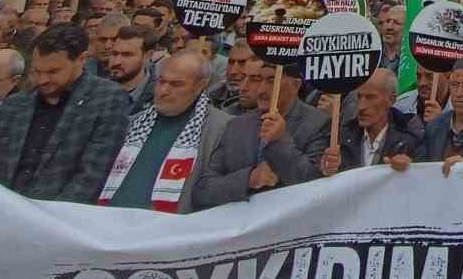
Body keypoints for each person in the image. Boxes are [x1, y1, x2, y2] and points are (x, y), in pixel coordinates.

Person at [0, 23, 131, 202]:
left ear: (81, 59)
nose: (43, 79)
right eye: (37, 71)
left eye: (53, 71)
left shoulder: (107, 99)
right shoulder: (14, 104)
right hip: (2, 208)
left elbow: (92, 174)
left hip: (58, 216)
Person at [98, 51, 229, 214]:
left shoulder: (221, 129)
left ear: (201, 85)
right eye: (161, 82)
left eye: (176, 84)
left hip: (167, 231)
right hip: (109, 220)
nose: (163, 91)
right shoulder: (133, 123)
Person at [192, 60, 328, 207]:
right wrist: (249, 179)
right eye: (259, 80)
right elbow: (203, 191)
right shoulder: (236, 125)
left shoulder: (318, 124)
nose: (261, 89)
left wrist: (280, 142)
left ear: (296, 84)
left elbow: (317, 188)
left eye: (271, 80)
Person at [321, 69, 418, 175]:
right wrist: (327, 171)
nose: (361, 106)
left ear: (391, 99)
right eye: (359, 97)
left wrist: (410, 169)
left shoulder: (410, 142)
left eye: (370, 97)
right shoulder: (339, 139)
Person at [106, 26, 157, 114]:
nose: (117, 62)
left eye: (127, 55)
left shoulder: (159, 97)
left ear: (148, 56)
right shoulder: (94, 90)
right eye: (114, 54)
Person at [209, 39, 255, 112]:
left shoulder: (262, 103)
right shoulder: (212, 93)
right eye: (231, 62)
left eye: (242, 63)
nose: (233, 71)